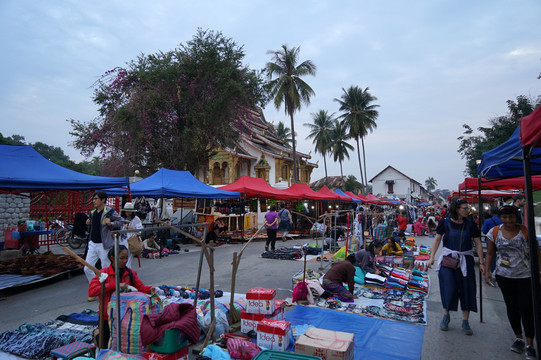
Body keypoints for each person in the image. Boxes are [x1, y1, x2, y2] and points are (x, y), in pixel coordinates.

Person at [485, 205, 540, 359]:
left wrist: (539, 273)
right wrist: (487, 271)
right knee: (512, 307)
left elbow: (536, 253)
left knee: (526, 308)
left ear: (516, 217)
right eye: (505, 217)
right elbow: (490, 253)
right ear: (500, 218)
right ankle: (519, 338)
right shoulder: (494, 232)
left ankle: (530, 344)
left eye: (511, 217)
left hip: (525, 276)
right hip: (504, 276)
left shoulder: (526, 231)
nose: (508, 220)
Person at [428, 198, 485, 335]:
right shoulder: (445, 222)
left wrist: (482, 263)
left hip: (466, 260)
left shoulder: (471, 224)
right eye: (465, 208)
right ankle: (446, 315)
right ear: (457, 209)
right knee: (449, 288)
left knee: (467, 289)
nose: (467, 210)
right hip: (448, 261)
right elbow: (437, 239)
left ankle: (465, 321)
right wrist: (432, 258)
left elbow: (478, 243)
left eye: (468, 208)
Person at [88, 245, 156, 347]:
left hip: (126, 315)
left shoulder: (131, 273)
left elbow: (140, 287)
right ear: (112, 258)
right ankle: (97, 334)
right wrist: (114, 285)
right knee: (104, 345)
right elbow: (92, 292)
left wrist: (150, 289)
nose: (125, 261)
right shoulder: (103, 274)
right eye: (121, 258)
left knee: (122, 344)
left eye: (126, 258)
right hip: (107, 316)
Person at [85, 191, 123, 299]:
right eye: (93, 199)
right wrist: (89, 222)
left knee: (105, 269)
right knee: (87, 269)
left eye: (96, 199)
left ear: (103, 200)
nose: (93, 201)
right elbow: (93, 225)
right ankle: (96, 289)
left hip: (104, 245)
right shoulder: (93, 212)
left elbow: (122, 221)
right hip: (93, 243)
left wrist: (111, 223)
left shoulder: (110, 212)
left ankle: (107, 292)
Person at [482, 206, 502, 287]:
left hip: (491, 241)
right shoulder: (502, 220)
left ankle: (493, 274)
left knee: (491, 257)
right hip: (501, 240)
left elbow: (484, 231)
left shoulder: (488, 221)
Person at [120, 202, 144, 268]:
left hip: (131, 240)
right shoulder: (121, 218)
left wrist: (130, 228)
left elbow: (140, 230)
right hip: (121, 240)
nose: (128, 213)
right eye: (127, 211)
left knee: (128, 259)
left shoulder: (136, 219)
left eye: (130, 211)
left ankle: (127, 272)